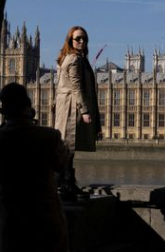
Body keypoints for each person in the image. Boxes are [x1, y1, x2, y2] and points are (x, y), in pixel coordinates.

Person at [0, 83, 69, 252]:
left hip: (12, 219)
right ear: (29, 106)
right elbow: (62, 164)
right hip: (46, 218)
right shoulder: (50, 137)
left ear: (3, 111)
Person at [54, 25, 102, 201]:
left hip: (67, 106)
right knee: (68, 147)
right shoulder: (74, 59)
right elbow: (76, 86)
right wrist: (85, 110)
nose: (82, 41)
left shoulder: (72, 58)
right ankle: (65, 184)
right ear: (70, 41)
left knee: (68, 148)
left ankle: (66, 183)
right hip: (71, 107)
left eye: (84, 39)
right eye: (78, 39)